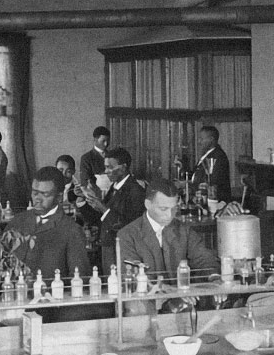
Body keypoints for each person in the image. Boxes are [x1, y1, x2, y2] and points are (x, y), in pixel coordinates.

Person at [117, 179, 221, 311]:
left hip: (183, 303)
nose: (169, 215)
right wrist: (170, 292)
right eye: (163, 209)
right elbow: (133, 275)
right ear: (147, 204)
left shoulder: (184, 230)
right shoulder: (127, 235)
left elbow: (204, 258)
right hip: (146, 304)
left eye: (174, 208)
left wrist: (215, 279)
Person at [3, 167, 89, 285]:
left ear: (59, 197)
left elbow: (79, 280)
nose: (37, 199)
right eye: (34, 193)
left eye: (45, 194)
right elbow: (1, 262)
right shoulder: (17, 221)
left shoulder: (71, 230)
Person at [78, 147, 146, 273]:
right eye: (105, 167)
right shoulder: (115, 187)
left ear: (123, 167)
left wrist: (104, 209)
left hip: (123, 250)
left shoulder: (136, 191)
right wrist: (83, 201)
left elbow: (131, 226)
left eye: (110, 167)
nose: (106, 171)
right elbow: (100, 219)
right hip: (108, 246)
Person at [190, 125, 233, 204]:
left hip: (215, 202)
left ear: (211, 139)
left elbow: (212, 181)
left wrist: (190, 185)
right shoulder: (207, 154)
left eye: (202, 139)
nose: (199, 142)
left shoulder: (218, 157)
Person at [78, 126, 110, 190]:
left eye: (108, 140)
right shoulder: (86, 158)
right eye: (103, 141)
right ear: (95, 139)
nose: (106, 144)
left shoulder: (112, 156)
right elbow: (85, 180)